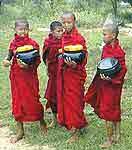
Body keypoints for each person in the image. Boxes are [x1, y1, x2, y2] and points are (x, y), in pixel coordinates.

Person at [3, 18, 47, 143]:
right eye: (20, 29)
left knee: (33, 99)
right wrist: (6, 61)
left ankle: (42, 122)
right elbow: (9, 56)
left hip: (29, 76)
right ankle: (20, 131)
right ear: (15, 30)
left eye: (25, 29)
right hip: (17, 76)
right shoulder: (13, 44)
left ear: (29, 29)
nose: (23, 32)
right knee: (18, 102)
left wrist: (28, 66)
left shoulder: (33, 44)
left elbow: (37, 60)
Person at [84, 19, 127, 148]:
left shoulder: (119, 52)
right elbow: (103, 65)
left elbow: (123, 69)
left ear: (113, 35)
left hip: (113, 86)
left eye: (104, 34)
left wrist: (112, 80)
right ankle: (117, 134)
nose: (102, 36)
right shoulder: (106, 48)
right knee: (113, 109)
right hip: (104, 84)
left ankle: (110, 139)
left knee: (110, 111)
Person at [57, 11, 88, 143]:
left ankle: (75, 131)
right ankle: (77, 124)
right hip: (65, 73)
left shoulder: (79, 38)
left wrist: (76, 65)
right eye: (64, 22)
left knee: (75, 100)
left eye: (69, 22)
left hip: (76, 74)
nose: (66, 25)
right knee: (68, 100)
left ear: (74, 22)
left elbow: (84, 56)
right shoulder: (63, 37)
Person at [42, 21, 63, 127]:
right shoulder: (48, 42)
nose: (61, 33)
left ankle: (63, 118)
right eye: (58, 31)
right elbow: (44, 57)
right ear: (52, 32)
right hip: (53, 72)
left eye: (61, 31)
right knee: (53, 96)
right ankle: (54, 119)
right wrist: (47, 68)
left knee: (63, 95)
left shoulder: (65, 41)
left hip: (63, 72)